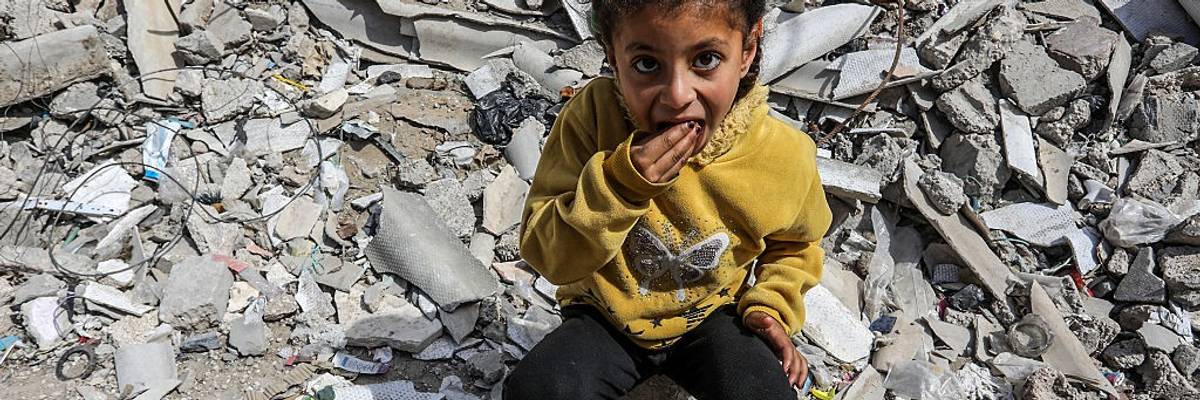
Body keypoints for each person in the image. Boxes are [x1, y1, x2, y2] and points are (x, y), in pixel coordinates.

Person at [505, 0, 832, 398]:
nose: (677, 96)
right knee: (538, 390)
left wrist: (771, 307)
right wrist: (620, 186)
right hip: (603, 316)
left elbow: (796, 245)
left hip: (713, 316)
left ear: (747, 50)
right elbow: (547, 253)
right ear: (612, 55)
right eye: (646, 64)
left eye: (707, 59)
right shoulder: (592, 119)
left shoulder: (783, 156)